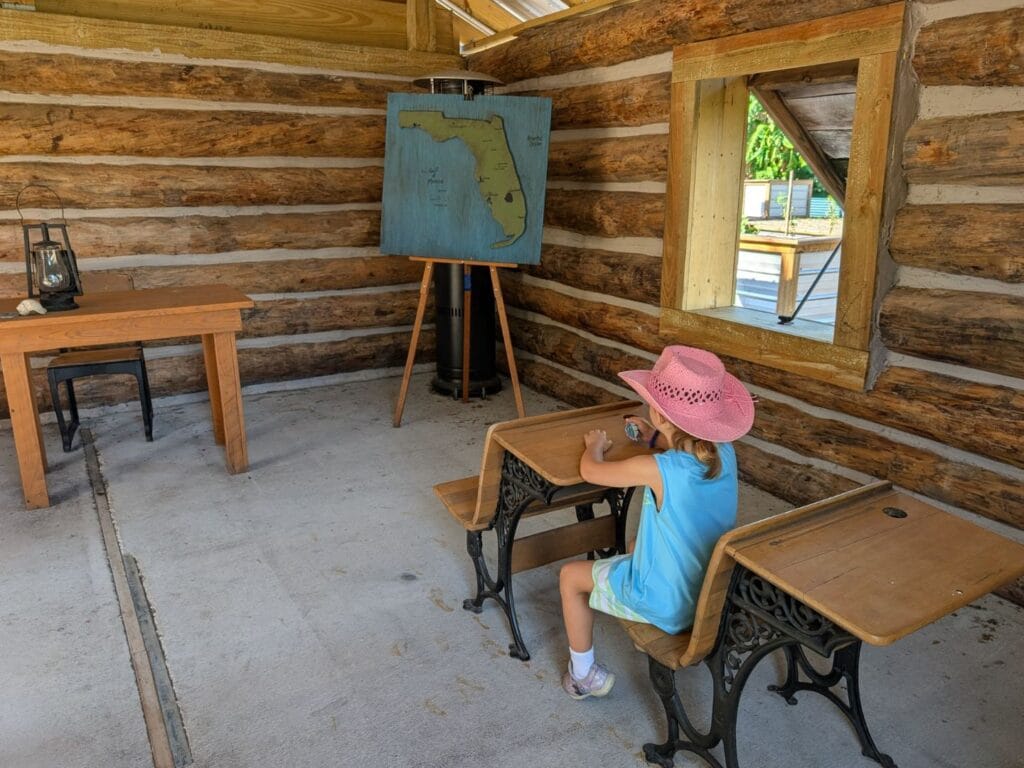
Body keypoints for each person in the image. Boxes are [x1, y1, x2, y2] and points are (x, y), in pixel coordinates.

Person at [559, 345, 755, 699]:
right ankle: (632, 625)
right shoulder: (724, 452)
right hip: (709, 595)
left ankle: (583, 675)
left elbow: (591, 471)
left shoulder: (657, 469)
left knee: (570, 577)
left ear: (659, 413)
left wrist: (594, 445)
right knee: (636, 545)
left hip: (668, 605)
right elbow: (685, 451)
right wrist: (653, 436)